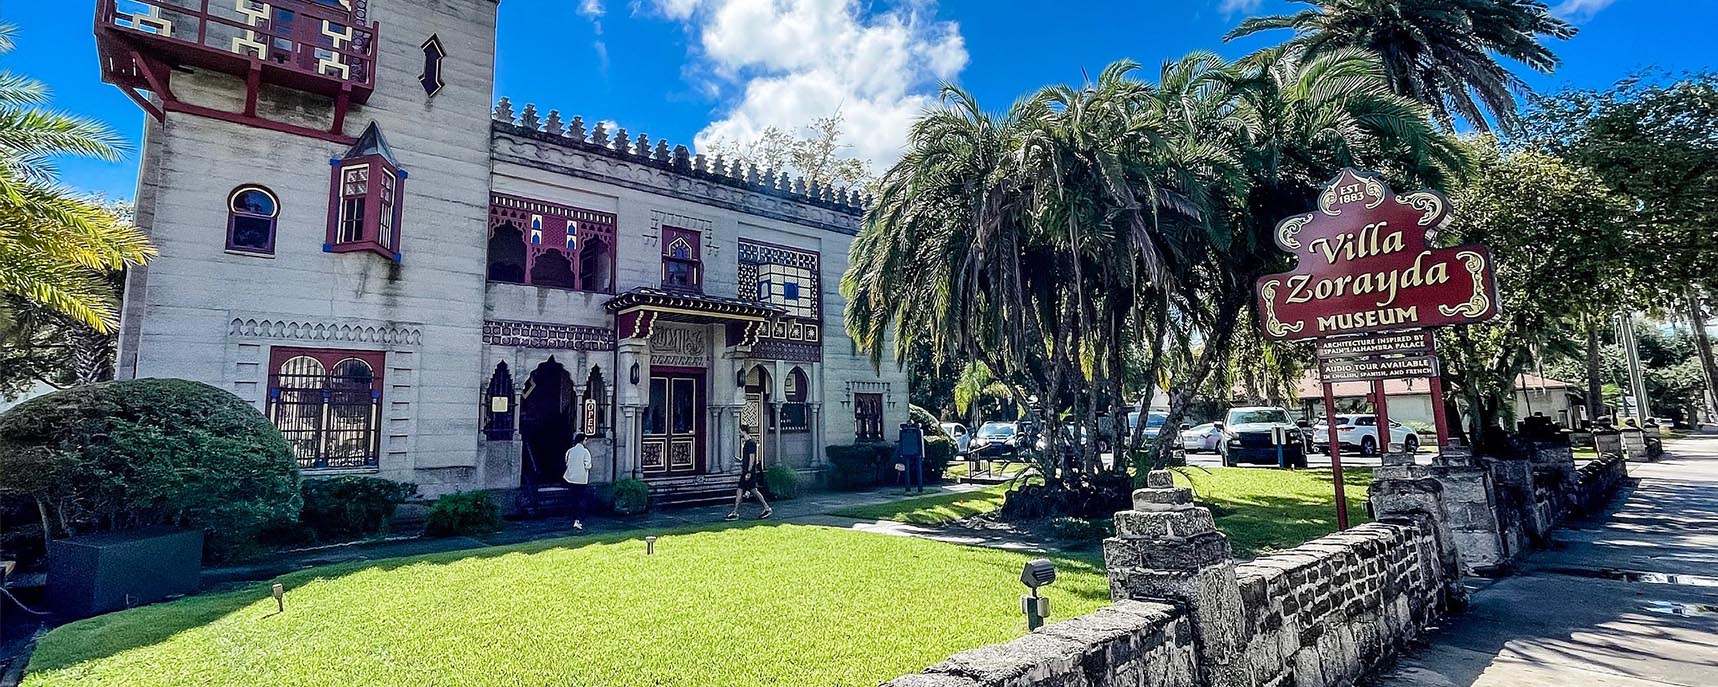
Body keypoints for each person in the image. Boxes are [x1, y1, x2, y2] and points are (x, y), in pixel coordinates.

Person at [726, 436, 772, 521]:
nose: (739, 433)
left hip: (748, 472)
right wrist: (740, 460)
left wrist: (749, 472)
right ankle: (735, 512)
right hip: (745, 471)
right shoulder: (747, 443)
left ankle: (767, 508)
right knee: (744, 490)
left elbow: (752, 458)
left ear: (743, 431)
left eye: (740, 431)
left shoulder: (751, 443)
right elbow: (747, 458)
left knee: (752, 491)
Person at [564, 432, 593, 531]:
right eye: (585, 439)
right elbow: (588, 465)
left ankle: (572, 517)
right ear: (582, 440)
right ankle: (578, 519)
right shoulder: (585, 452)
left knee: (573, 498)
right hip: (581, 480)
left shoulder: (570, 451)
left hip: (570, 478)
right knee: (580, 499)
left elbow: (567, 462)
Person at [896, 422, 926, 494]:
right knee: (910, 470)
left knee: (910, 470)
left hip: (910, 452)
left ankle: (913, 488)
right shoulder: (913, 432)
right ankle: (912, 488)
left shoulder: (910, 432)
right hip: (912, 452)